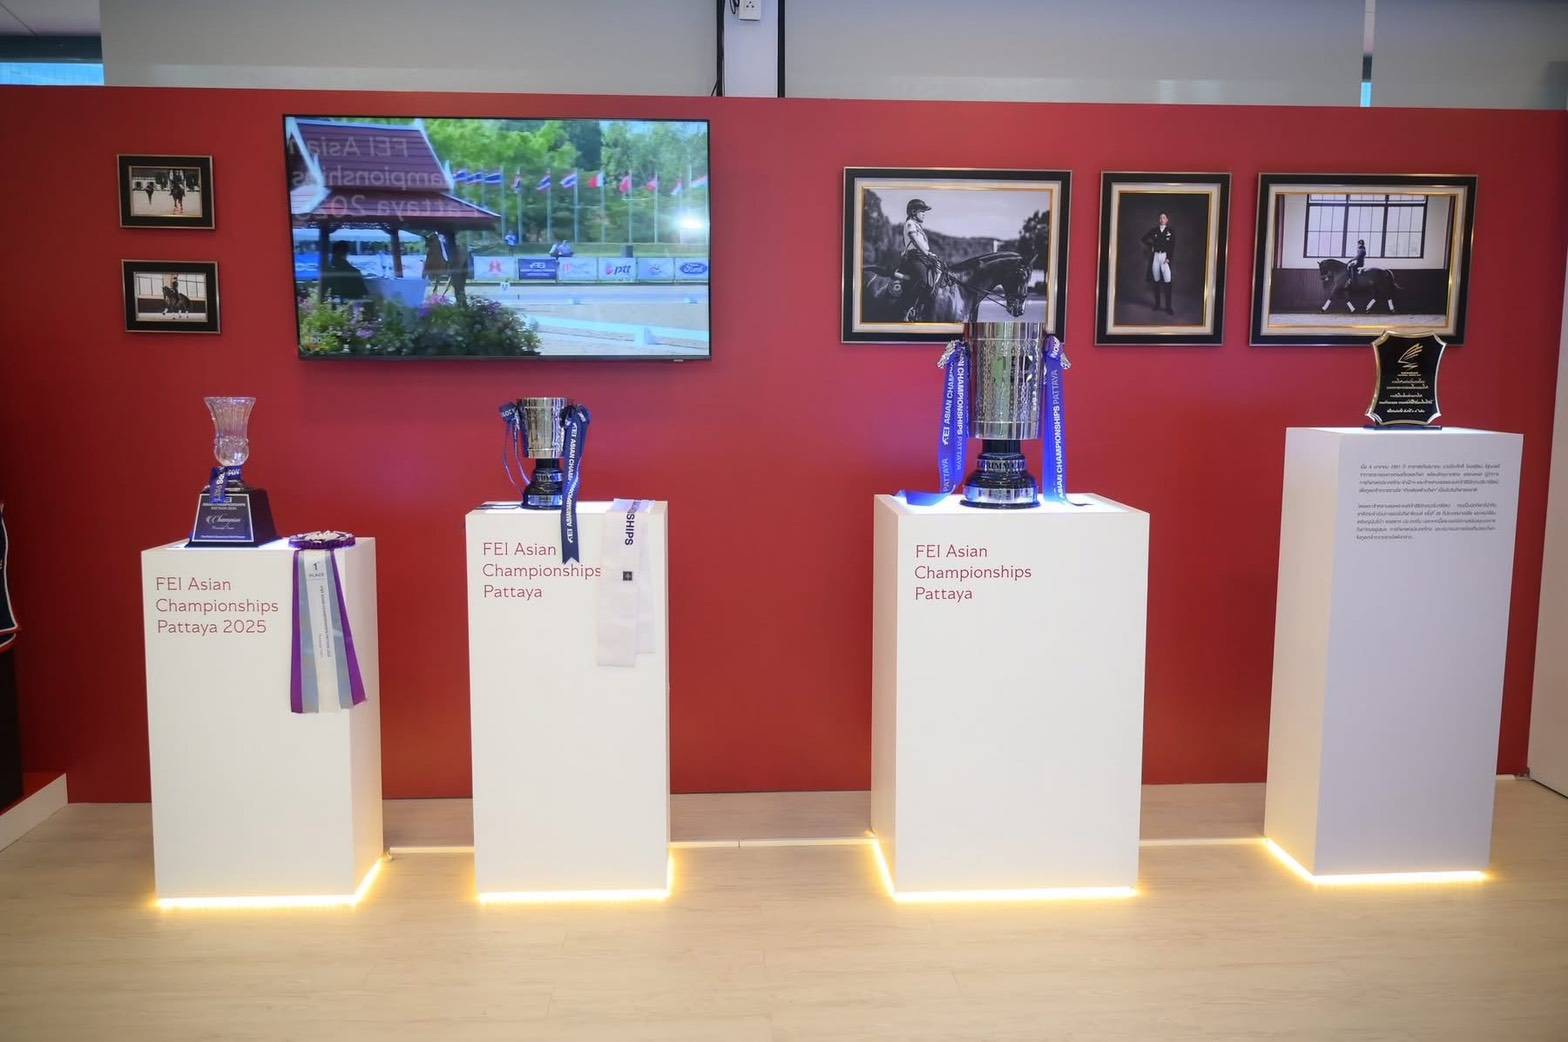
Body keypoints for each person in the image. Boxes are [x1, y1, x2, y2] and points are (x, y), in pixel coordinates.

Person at [896, 198, 944, 321]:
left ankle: (924, 307)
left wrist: (931, 254)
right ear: (913, 212)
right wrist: (928, 254)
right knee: (923, 280)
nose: (924, 214)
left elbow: (922, 244)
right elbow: (915, 241)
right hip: (915, 258)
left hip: (922, 256)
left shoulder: (917, 225)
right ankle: (907, 309)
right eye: (922, 211)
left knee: (939, 273)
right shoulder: (910, 224)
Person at [1141, 212, 1176, 314]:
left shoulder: (1170, 231)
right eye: (1160, 218)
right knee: (1156, 280)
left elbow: (1172, 246)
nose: (1162, 219)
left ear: (1167, 220)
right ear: (1159, 220)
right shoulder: (1154, 230)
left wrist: (1169, 258)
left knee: (1167, 281)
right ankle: (1157, 304)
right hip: (1156, 257)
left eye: (1164, 218)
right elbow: (1143, 239)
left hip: (1165, 257)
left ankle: (1168, 307)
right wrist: (1151, 245)